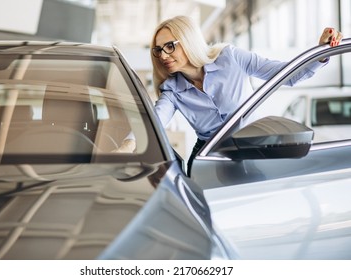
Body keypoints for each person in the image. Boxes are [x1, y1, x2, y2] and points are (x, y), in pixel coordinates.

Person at [118, 15, 342, 176]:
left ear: (188, 41)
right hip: (209, 155)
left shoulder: (231, 58)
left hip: (255, 147)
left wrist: (321, 52)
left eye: (170, 46)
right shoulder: (172, 89)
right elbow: (154, 120)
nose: (163, 55)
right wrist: (129, 143)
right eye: (158, 50)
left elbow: (288, 75)